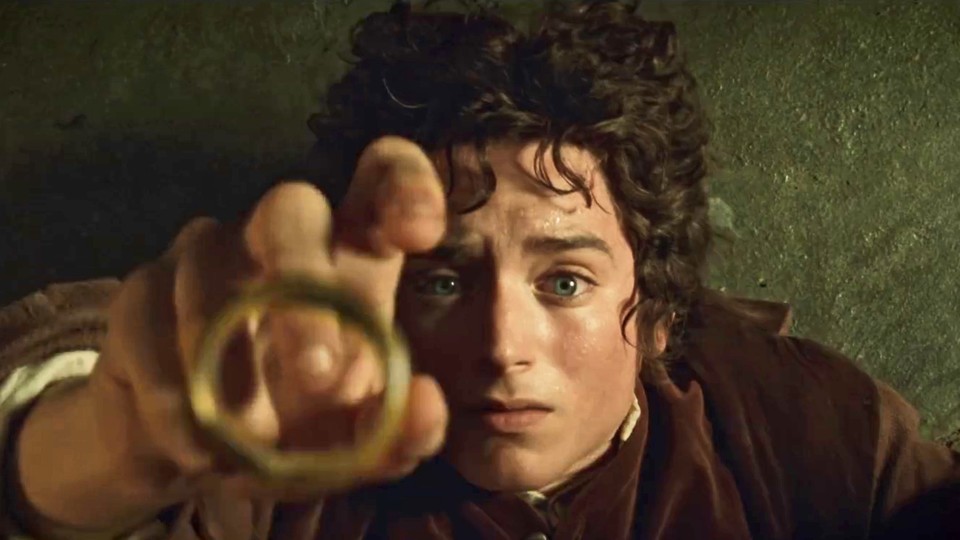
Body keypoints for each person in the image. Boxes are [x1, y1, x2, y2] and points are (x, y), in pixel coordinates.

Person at [0, 1, 957, 539]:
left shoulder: (807, 431)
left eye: (564, 281)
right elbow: (73, 383)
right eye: (445, 281)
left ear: (659, 308)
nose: (502, 347)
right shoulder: (285, 455)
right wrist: (112, 444)